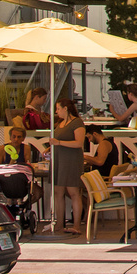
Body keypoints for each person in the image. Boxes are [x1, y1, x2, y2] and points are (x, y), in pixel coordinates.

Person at [49, 98, 86, 235]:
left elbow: (78, 143)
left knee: (73, 192)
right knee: (58, 192)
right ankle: (59, 222)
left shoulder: (77, 123)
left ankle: (76, 225)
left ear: (66, 108)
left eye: (58, 108)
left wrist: (58, 142)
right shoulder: (60, 123)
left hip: (71, 160)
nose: (57, 111)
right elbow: (57, 141)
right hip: (59, 159)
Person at [0, 125, 45, 208]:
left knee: (38, 193)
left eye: (19, 137)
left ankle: (23, 207)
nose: (16, 139)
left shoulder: (26, 148)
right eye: (14, 136)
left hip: (22, 180)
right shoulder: (2, 149)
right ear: (10, 137)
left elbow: (27, 163)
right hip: (6, 181)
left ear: (23, 138)